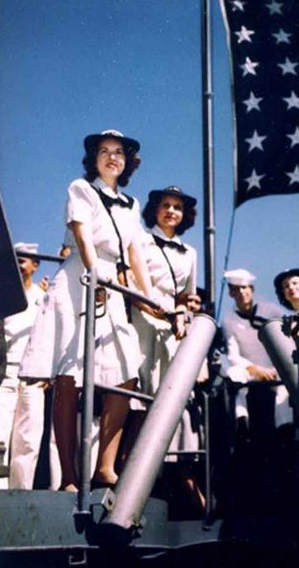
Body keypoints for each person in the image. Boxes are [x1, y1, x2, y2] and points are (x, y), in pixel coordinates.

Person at [19, 129, 155, 491]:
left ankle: (104, 467)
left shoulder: (131, 204)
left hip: (112, 282)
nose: (112, 157)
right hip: (81, 278)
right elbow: (81, 235)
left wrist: (151, 298)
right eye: (104, 151)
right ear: (93, 159)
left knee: (126, 372)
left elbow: (136, 252)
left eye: (119, 153)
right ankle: (68, 475)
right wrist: (95, 278)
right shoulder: (80, 190)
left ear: (127, 162)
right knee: (69, 376)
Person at [131, 185, 205, 508]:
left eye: (177, 207)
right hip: (143, 318)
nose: (171, 211)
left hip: (172, 328)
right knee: (139, 395)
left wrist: (183, 314)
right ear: (155, 209)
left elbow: (187, 296)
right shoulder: (142, 240)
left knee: (170, 398)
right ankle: (129, 474)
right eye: (165, 205)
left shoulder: (190, 253)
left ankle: (162, 478)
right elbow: (135, 283)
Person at [0, 243, 49, 488]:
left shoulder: (43, 299)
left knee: (28, 439)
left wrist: (48, 371)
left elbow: (52, 336)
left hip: (32, 374)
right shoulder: (2, 294)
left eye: (24, 259)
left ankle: (21, 491)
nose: (18, 264)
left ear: (35, 265)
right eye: (15, 259)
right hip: (2, 374)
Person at [220, 269, 291, 431]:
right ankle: (241, 420)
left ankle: (284, 427)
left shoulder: (270, 309)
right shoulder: (228, 319)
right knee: (234, 374)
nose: (241, 293)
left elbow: (289, 327)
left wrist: (273, 368)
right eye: (236, 289)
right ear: (231, 293)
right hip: (251, 371)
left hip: (274, 368)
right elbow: (233, 355)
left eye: (245, 288)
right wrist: (256, 370)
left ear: (251, 289)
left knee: (284, 385)